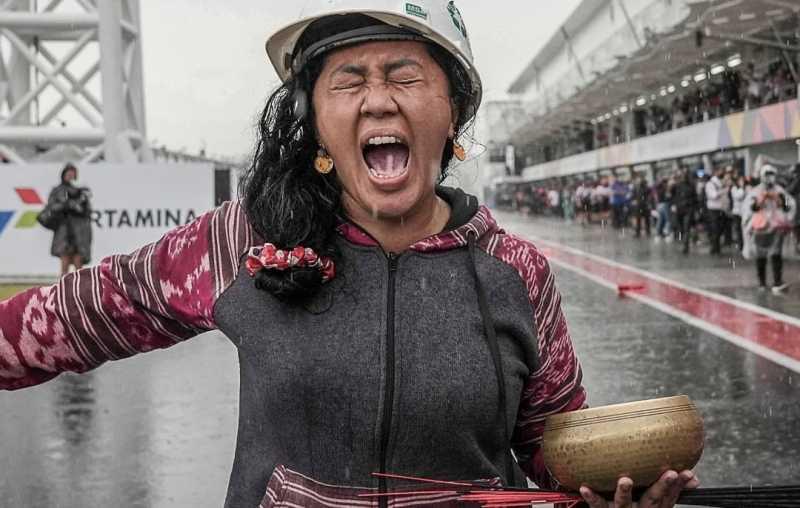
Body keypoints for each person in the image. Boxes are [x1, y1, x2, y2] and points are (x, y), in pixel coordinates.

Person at [0, 3, 698, 508]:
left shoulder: (517, 270)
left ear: (452, 113)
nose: (376, 101)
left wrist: (612, 490)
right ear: (313, 123)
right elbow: (75, 316)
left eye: (404, 76)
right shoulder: (246, 239)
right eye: (348, 81)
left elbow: (552, 444)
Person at [743, 164, 796, 293]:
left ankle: (777, 282)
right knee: (761, 254)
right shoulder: (755, 191)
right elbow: (752, 208)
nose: (769, 178)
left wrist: (778, 200)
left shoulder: (780, 190)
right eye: (767, 175)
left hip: (776, 225)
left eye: (771, 175)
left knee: (776, 253)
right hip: (760, 226)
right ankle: (762, 282)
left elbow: (788, 206)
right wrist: (762, 199)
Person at [44, 162, 93, 275]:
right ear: (64, 174)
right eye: (68, 173)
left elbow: (87, 211)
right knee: (65, 258)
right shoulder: (57, 191)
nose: (70, 176)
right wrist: (66, 204)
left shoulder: (81, 191)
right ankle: (63, 287)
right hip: (64, 229)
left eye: (73, 174)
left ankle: (80, 287)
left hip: (79, 231)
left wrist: (81, 205)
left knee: (78, 259)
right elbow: (51, 207)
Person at [672, 169, 699, 254]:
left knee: (686, 227)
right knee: (682, 228)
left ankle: (686, 245)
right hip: (680, 209)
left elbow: (695, 199)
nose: (684, 177)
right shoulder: (677, 186)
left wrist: (695, 209)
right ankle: (686, 241)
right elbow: (673, 196)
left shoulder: (691, 186)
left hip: (688, 209)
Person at [704, 166, 727, 255]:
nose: (722, 173)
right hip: (713, 209)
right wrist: (723, 191)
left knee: (720, 229)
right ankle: (715, 248)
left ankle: (716, 247)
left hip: (721, 209)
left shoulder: (721, 183)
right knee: (716, 229)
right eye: (720, 171)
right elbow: (713, 195)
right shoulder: (710, 184)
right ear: (716, 172)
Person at [730, 175, 748, 253]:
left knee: (744, 229)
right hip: (737, 212)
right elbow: (738, 196)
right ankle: (741, 245)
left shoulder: (746, 188)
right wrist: (742, 188)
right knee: (739, 230)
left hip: (744, 212)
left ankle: (745, 245)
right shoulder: (734, 188)